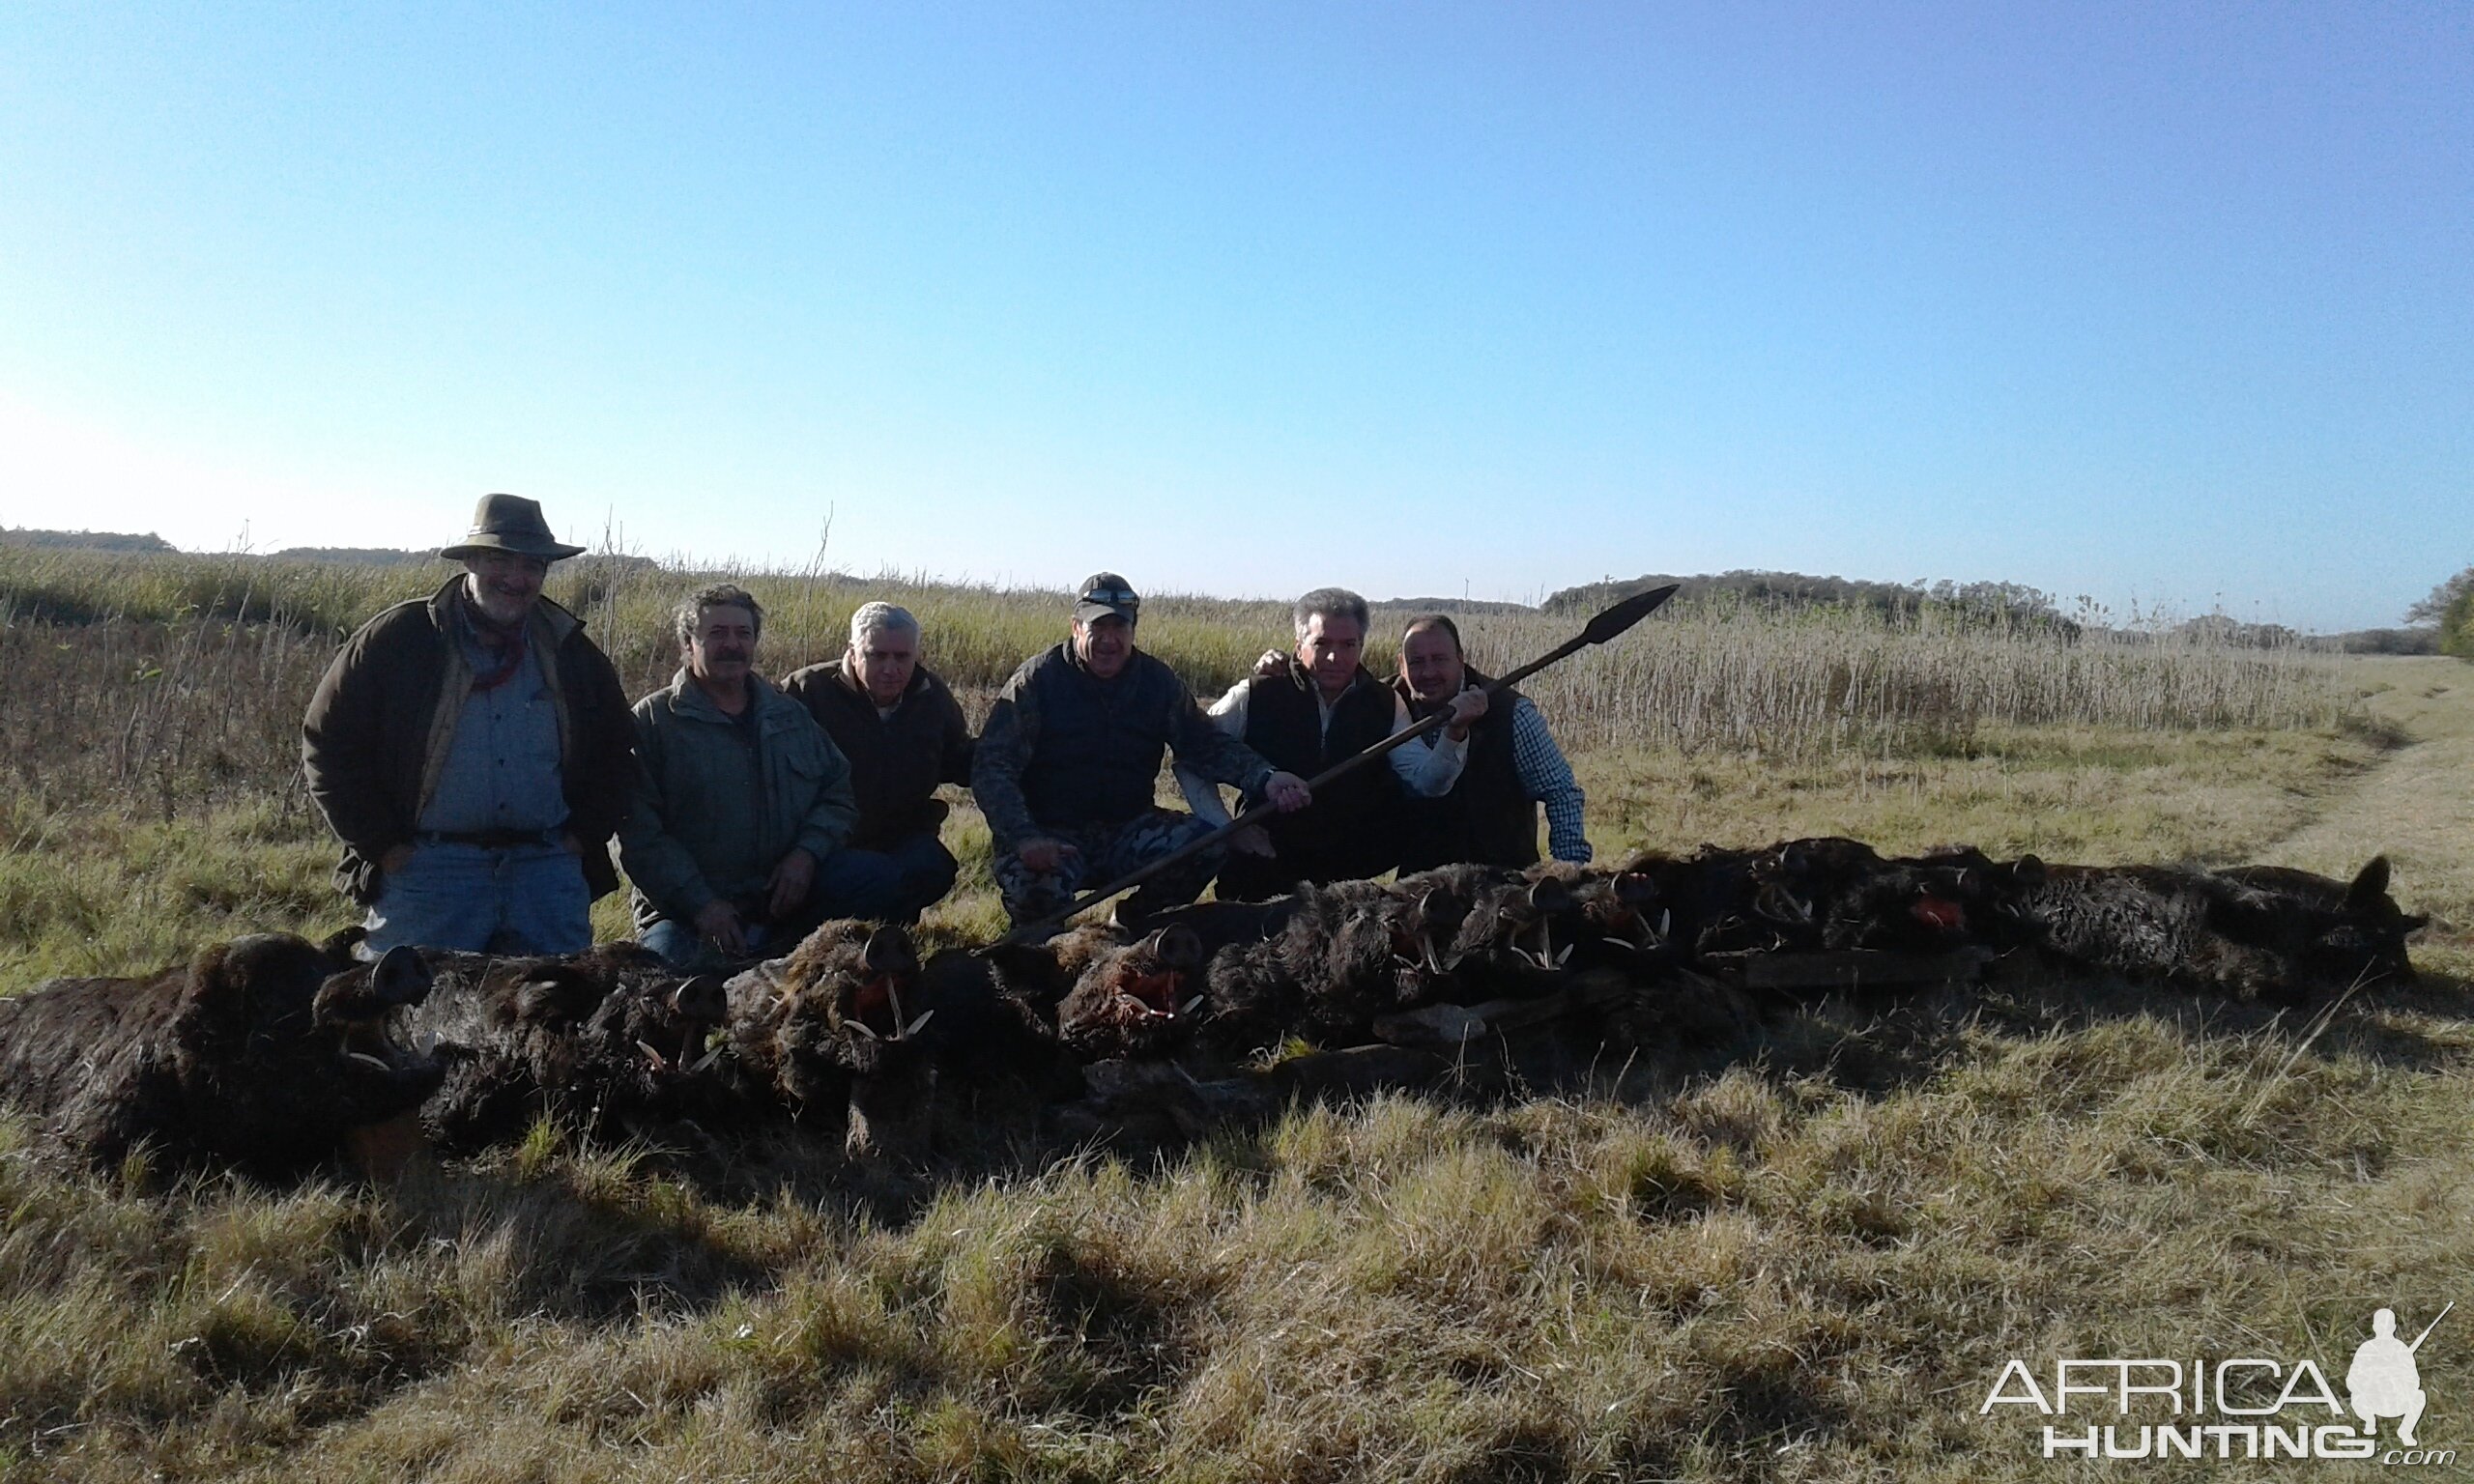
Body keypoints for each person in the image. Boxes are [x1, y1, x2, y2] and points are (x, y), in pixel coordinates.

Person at [301, 494, 635, 955]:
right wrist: (384, 846)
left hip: (544, 872)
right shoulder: (401, 638)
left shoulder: (571, 651)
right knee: (408, 1013)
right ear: (471, 561)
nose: (516, 579)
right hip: (430, 873)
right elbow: (328, 743)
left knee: (555, 1015)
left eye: (532, 566)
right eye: (501, 561)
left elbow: (618, 753)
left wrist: (582, 838)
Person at [972, 572, 1311, 929]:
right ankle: (1037, 950)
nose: (1109, 640)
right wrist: (1024, 837)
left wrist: (1266, 777)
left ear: (1133, 630)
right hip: (1050, 832)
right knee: (1034, 894)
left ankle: (1134, 925)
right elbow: (993, 766)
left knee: (1206, 845)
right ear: (1076, 628)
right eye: (1097, 627)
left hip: (1127, 827)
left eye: (1119, 628)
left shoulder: (1156, 682)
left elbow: (1203, 742)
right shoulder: (1037, 681)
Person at [618, 585, 903, 970]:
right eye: (717, 634)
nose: (732, 645)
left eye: (743, 634)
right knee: (668, 986)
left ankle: (788, 955)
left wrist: (805, 855)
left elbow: (837, 794)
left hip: (781, 901)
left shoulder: (788, 715)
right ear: (688, 644)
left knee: (880, 877)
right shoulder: (653, 721)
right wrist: (702, 905)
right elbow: (639, 836)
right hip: (688, 912)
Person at [1177, 586, 1485, 899]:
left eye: (1348, 644)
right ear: (1299, 646)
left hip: (1345, 879)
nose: (1335, 657)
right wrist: (1229, 830)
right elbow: (1190, 759)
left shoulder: (1385, 703)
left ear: (1361, 645)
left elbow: (1428, 783)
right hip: (1265, 865)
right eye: (1321, 644)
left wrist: (1454, 733)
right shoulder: (1255, 694)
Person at [780, 602, 974, 922]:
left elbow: (958, 759)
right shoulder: (806, 692)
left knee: (933, 866)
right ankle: (811, 937)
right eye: (877, 655)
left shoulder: (931, 696)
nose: (890, 668)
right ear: (853, 653)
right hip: (823, 843)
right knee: (874, 876)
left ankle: (893, 937)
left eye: (902, 657)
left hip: (899, 836)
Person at [1389, 613, 1592, 870]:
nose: (1428, 672)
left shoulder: (1511, 712)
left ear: (1460, 660)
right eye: (1416, 662)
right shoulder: (1384, 707)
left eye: (1439, 659)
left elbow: (1560, 792)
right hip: (1419, 886)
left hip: (1501, 882)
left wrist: (1568, 872)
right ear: (1401, 665)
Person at [2346, 1308, 2430, 1446]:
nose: (2384, 1329)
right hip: (2371, 1402)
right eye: (2381, 1325)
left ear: (2394, 1327)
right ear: (2374, 1327)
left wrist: (2397, 1379)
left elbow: (2414, 1381)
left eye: (2387, 1325)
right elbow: (2352, 1380)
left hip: (2396, 1402)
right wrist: (2372, 1379)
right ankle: (2369, 1421)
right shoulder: (2366, 1349)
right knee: (2357, 1396)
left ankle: (2405, 1431)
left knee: (2419, 1396)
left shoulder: (2401, 1349)